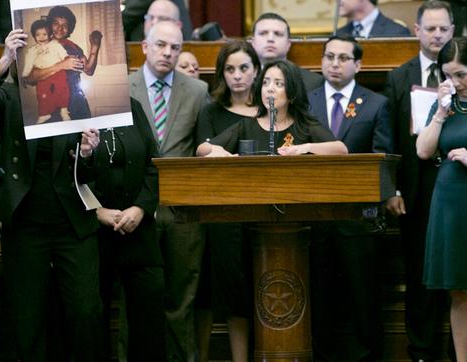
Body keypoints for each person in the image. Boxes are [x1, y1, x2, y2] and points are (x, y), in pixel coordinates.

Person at [0, 29, 104, 362]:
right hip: (27, 220)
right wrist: (3, 59)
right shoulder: (10, 97)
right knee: (27, 319)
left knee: (86, 311)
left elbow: (91, 174)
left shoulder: (77, 97)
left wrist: (87, 154)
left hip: (72, 219)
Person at [307, 35, 393, 361]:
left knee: (364, 302)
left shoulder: (375, 103)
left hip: (359, 218)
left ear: (358, 64)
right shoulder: (307, 101)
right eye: (329, 56)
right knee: (321, 301)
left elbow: (381, 155)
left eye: (343, 58)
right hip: (317, 217)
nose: (334, 63)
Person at [415, 37, 467, 362]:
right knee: (460, 291)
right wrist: (440, 111)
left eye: (462, 74)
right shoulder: (447, 106)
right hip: (448, 199)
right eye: (449, 76)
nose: (457, 83)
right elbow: (423, 151)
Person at [128, 20, 207, 361]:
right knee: (133, 298)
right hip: (134, 207)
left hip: (182, 210)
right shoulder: (123, 86)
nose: (168, 53)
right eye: (160, 45)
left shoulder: (197, 91)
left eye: (175, 47)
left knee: (182, 297)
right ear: (144, 47)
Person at [383, 0, 454, 361]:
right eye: (430, 28)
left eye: (443, 29)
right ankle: (422, 351)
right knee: (419, 273)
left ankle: (461, 350)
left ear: (453, 31)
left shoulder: (465, 72)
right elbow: (390, 137)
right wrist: (391, 188)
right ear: (417, 31)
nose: (437, 35)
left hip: (457, 183)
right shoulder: (399, 76)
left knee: (459, 272)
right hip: (414, 189)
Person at [194, 40, 261, 362]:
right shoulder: (211, 111)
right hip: (219, 211)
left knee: (246, 291)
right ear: (221, 74)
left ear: (256, 71)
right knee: (210, 292)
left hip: (260, 209)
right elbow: (201, 150)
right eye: (230, 69)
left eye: (244, 68)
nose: (237, 76)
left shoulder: (267, 110)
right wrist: (219, 151)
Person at [93, 97, 166, 361]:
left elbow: (153, 162)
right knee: (91, 315)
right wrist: (96, 212)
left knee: (150, 308)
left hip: (137, 227)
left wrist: (141, 207)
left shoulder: (131, 106)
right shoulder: (73, 107)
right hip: (92, 231)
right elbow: (66, 171)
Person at [197, 59, 347, 157]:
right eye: (265, 83)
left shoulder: (304, 126)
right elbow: (201, 149)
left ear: (292, 93)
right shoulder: (246, 126)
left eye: (279, 84)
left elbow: (341, 150)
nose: (269, 89)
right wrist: (221, 153)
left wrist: (304, 148)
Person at [22, 5, 101, 121]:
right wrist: (62, 65)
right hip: (52, 104)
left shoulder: (73, 46)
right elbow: (30, 79)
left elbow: (89, 70)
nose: (60, 28)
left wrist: (95, 46)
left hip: (77, 100)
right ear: (49, 25)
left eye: (65, 25)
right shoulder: (41, 47)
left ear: (70, 29)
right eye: (56, 24)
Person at [251, 12, 324, 91]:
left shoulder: (313, 82)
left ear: (288, 44)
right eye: (263, 33)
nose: (270, 39)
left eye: (278, 34)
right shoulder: (241, 79)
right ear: (253, 42)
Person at [21, 19, 72, 124]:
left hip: (58, 72)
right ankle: (44, 113)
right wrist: (24, 75)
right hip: (43, 74)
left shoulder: (55, 44)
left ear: (50, 35)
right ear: (34, 36)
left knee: (62, 88)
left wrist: (67, 58)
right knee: (42, 94)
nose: (41, 37)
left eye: (44, 34)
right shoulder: (32, 50)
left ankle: (64, 109)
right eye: (38, 35)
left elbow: (63, 54)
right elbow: (29, 63)